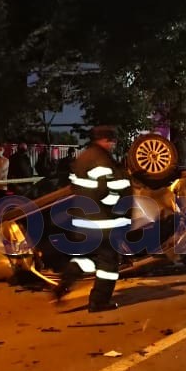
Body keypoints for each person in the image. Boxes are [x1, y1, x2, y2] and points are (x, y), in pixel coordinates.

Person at [53, 126, 130, 312]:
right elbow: (106, 190)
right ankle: (99, 301)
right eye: (111, 141)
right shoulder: (102, 160)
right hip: (103, 222)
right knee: (109, 263)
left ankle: (66, 280)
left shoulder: (83, 158)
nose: (113, 145)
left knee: (88, 258)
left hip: (83, 219)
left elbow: (76, 186)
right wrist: (118, 206)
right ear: (104, 140)